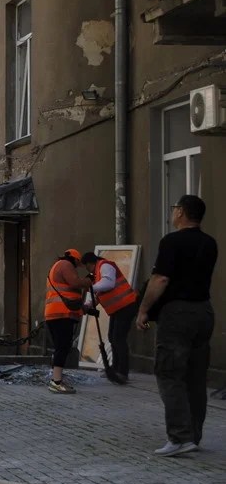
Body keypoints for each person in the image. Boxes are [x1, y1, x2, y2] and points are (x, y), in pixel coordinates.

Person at [136, 194, 217, 457]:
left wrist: (144, 310)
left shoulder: (172, 241)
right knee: (195, 376)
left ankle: (180, 437)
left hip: (177, 314)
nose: (173, 213)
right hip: (203, 312)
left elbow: (160, 279)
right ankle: (193, 435)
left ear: (181, 212)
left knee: (169, 373)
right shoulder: (209, 243)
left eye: (174, 209)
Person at [81, 251, 138, 381]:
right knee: (112, 337)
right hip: (118, 308)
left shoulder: (104, 265)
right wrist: (89, 304)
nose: (88, 270)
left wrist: (90, 287)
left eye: (87, 267)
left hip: (126, 305)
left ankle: (123, 372)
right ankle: (115, 368)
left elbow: (109, 284)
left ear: (90, 263)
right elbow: (100, 294)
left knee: (118, 338)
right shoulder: (98, 274)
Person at [44, 248, 93, 394]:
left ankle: (56, 379)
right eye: (77, 264)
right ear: (75, 259)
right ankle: (56, 382)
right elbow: (74, 283)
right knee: (62, 347)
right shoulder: (65, 265)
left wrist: (82, 307)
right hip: (61, 314)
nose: (77, 267)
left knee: (61, 346)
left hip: (57, 313)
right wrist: (89, 281)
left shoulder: (58, 266)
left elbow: (68, 291)